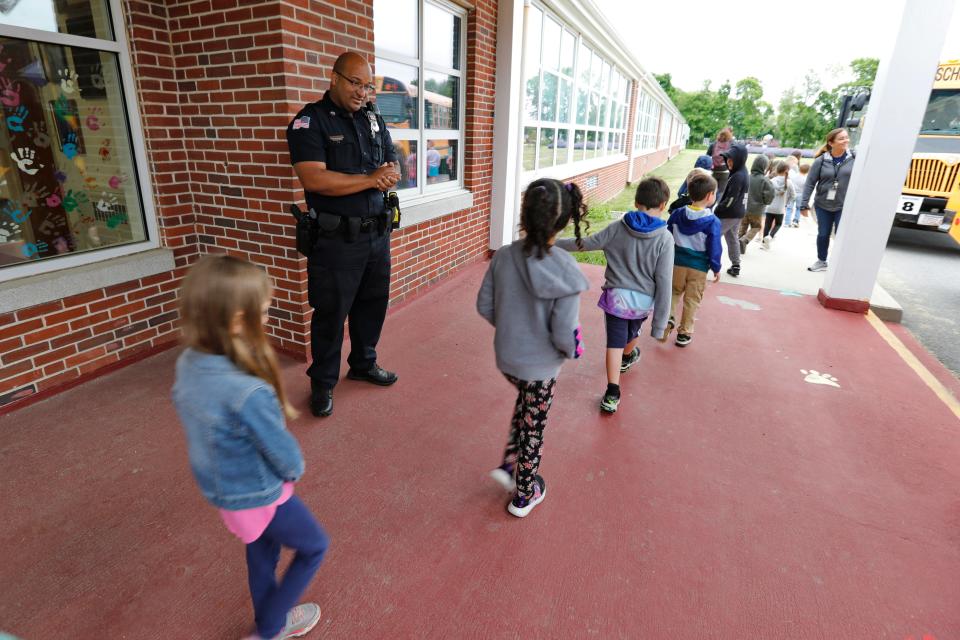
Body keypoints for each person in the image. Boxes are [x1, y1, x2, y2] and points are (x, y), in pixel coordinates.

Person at [172, 255, 329, 640]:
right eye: (264, 311)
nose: (268, 316)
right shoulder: (248, 391)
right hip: (261, 493)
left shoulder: (189, 363)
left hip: (225, 492)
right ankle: (271, 628)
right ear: (239, 321)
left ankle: (267, 621)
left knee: (262, 552)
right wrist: (295, 471)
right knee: (314, 546)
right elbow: (285, 456)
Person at [286, 52, 402, 418]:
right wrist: (370, 179)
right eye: (355, 83)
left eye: (368, 85)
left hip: (376, 235)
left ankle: (364, 363)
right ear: (333, 78)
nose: (362, 92)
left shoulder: (372, 117)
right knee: (331, 314)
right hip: (336, 241)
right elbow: (313, 178)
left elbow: (391, 159)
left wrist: (391, 171)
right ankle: (322, 382)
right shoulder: (310, 121)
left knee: (373, 304)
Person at [477, 178, 589, 518]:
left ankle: (511, 461)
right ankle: (525, 493)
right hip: (540, 368)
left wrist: (513, 329)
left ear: (524, 215)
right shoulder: (566, 271)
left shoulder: (505, 256)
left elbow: (485, 305)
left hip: (507, 359)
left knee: (527, 403)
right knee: (534, 424)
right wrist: (573, 350)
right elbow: (564, 333)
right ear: (565, 220)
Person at [554, 177, 675, 414]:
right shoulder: (665, 239)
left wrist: (554, 243)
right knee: (632, 332)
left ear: (636, 201)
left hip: (616, 300)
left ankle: (612, 391)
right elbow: (664, 281)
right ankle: (629, 356)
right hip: (642, 303)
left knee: (615, 343)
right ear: (663, 205)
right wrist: (659, 325)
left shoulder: (618, 228)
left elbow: (586, 244)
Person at [664, 172, 722, 347]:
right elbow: (714, 247)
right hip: (698, 267)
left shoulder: (676, 214)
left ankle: (667, 319)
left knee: (673, 293)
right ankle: (684, 333)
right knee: (692, 300)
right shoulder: (712, 221)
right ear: (710, 195)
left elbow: (667, 236)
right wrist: (716, 267)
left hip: (676, 264)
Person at [800, 128, 855, 272]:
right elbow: (810, 183)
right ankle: (822, 261)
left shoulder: (854, 158)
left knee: (841, 236)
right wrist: (804, 204)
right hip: (823, 204)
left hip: (844, 205)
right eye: (841, 138)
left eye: (846, 137)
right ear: (831, 143)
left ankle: (839, 263)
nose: (846, 141)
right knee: (823, 233)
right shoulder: (821, 161)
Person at [713, 142, 749, 277]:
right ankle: (736, 264)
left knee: (714, 236)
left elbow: (731, 199)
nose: (728, 163)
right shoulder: (741, 172)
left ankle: (707, 262)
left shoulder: (738, 176)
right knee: (732, 237)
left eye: (731, 160)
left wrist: (718, 210)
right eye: (727, 160)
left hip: (729, 213)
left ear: (739, 160)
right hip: (738, 212)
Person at [739, 154, 773, 254]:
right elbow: (770, 194)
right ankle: (744, 240)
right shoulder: (765, 180)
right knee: (756, 227)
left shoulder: (747, 177)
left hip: (744, 207)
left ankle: (739, 244)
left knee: (743, 226)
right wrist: (766, 202)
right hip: (757, 209)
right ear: (764, 166)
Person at [761, 160, 796, 249]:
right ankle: (770, 236)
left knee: (767, 225)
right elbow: (793, 196)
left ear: (777, 170)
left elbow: (766, 193)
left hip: (770, 207)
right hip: (780, 208)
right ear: (786, 171)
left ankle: (763, 244)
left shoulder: (772, 181)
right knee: (778, 224)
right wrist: (787, 203)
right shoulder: (789, 182)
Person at [706, 127, 734, 197]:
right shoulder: (731, 145)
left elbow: (707, 157)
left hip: (713, 170)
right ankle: (717, 206)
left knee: (711, 190)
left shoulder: (714, 144)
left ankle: (710, 205)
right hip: (725, 171)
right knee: (721, 192)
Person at [783, 155, 804, 228]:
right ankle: (796, 221)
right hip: (798, 194)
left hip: (791, 193)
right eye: (795, 163)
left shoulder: (789, 171)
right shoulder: (795, 173)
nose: (795, 165)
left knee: (789, 208)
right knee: (798, 208)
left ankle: (787, 222)